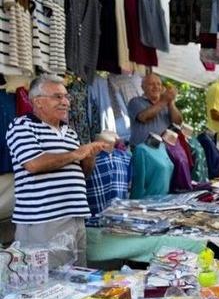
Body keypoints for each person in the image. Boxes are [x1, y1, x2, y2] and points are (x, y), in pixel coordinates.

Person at [6, 75, 107, 267]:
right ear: (37, 101)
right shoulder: (22, 126)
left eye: (66, 97)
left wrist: (89, 157)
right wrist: (76, 153)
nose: (66, 102)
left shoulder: (70, 132)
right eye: (57, 97)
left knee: (76, 279)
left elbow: (81, 174)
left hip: (74, 216)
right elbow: (33, 164)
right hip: (43, 220)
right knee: (47, 281)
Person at [127, 74, 183, 147]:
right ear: (143, 87)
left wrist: (171, 102)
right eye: (151, 84)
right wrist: (165, 100)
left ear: (162, 87)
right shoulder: (135, 101)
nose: (156, 87)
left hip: (163, 151)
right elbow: (144, 118)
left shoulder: (167, 104)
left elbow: (178, 122)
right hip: (142, 151)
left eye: (158, 84)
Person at [85, 131, 132, 217]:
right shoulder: (88, 159)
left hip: (119, 218)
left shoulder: (126, 158)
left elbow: (127, 184)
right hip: (94, 218)